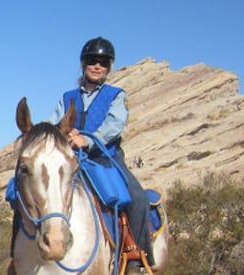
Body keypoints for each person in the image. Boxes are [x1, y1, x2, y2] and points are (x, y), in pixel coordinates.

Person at [48, 36, 154, 267]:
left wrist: (86, 139)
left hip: (106, 158)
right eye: (92, 61)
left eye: (103, 62)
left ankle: (137, 257)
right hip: (72, 158)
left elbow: (114, 126)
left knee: (136, 197)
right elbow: (55, 123)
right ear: (83, 64)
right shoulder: (67, 97)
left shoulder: (116, 95)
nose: (97, 66)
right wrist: (65, 135)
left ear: (109, 67)